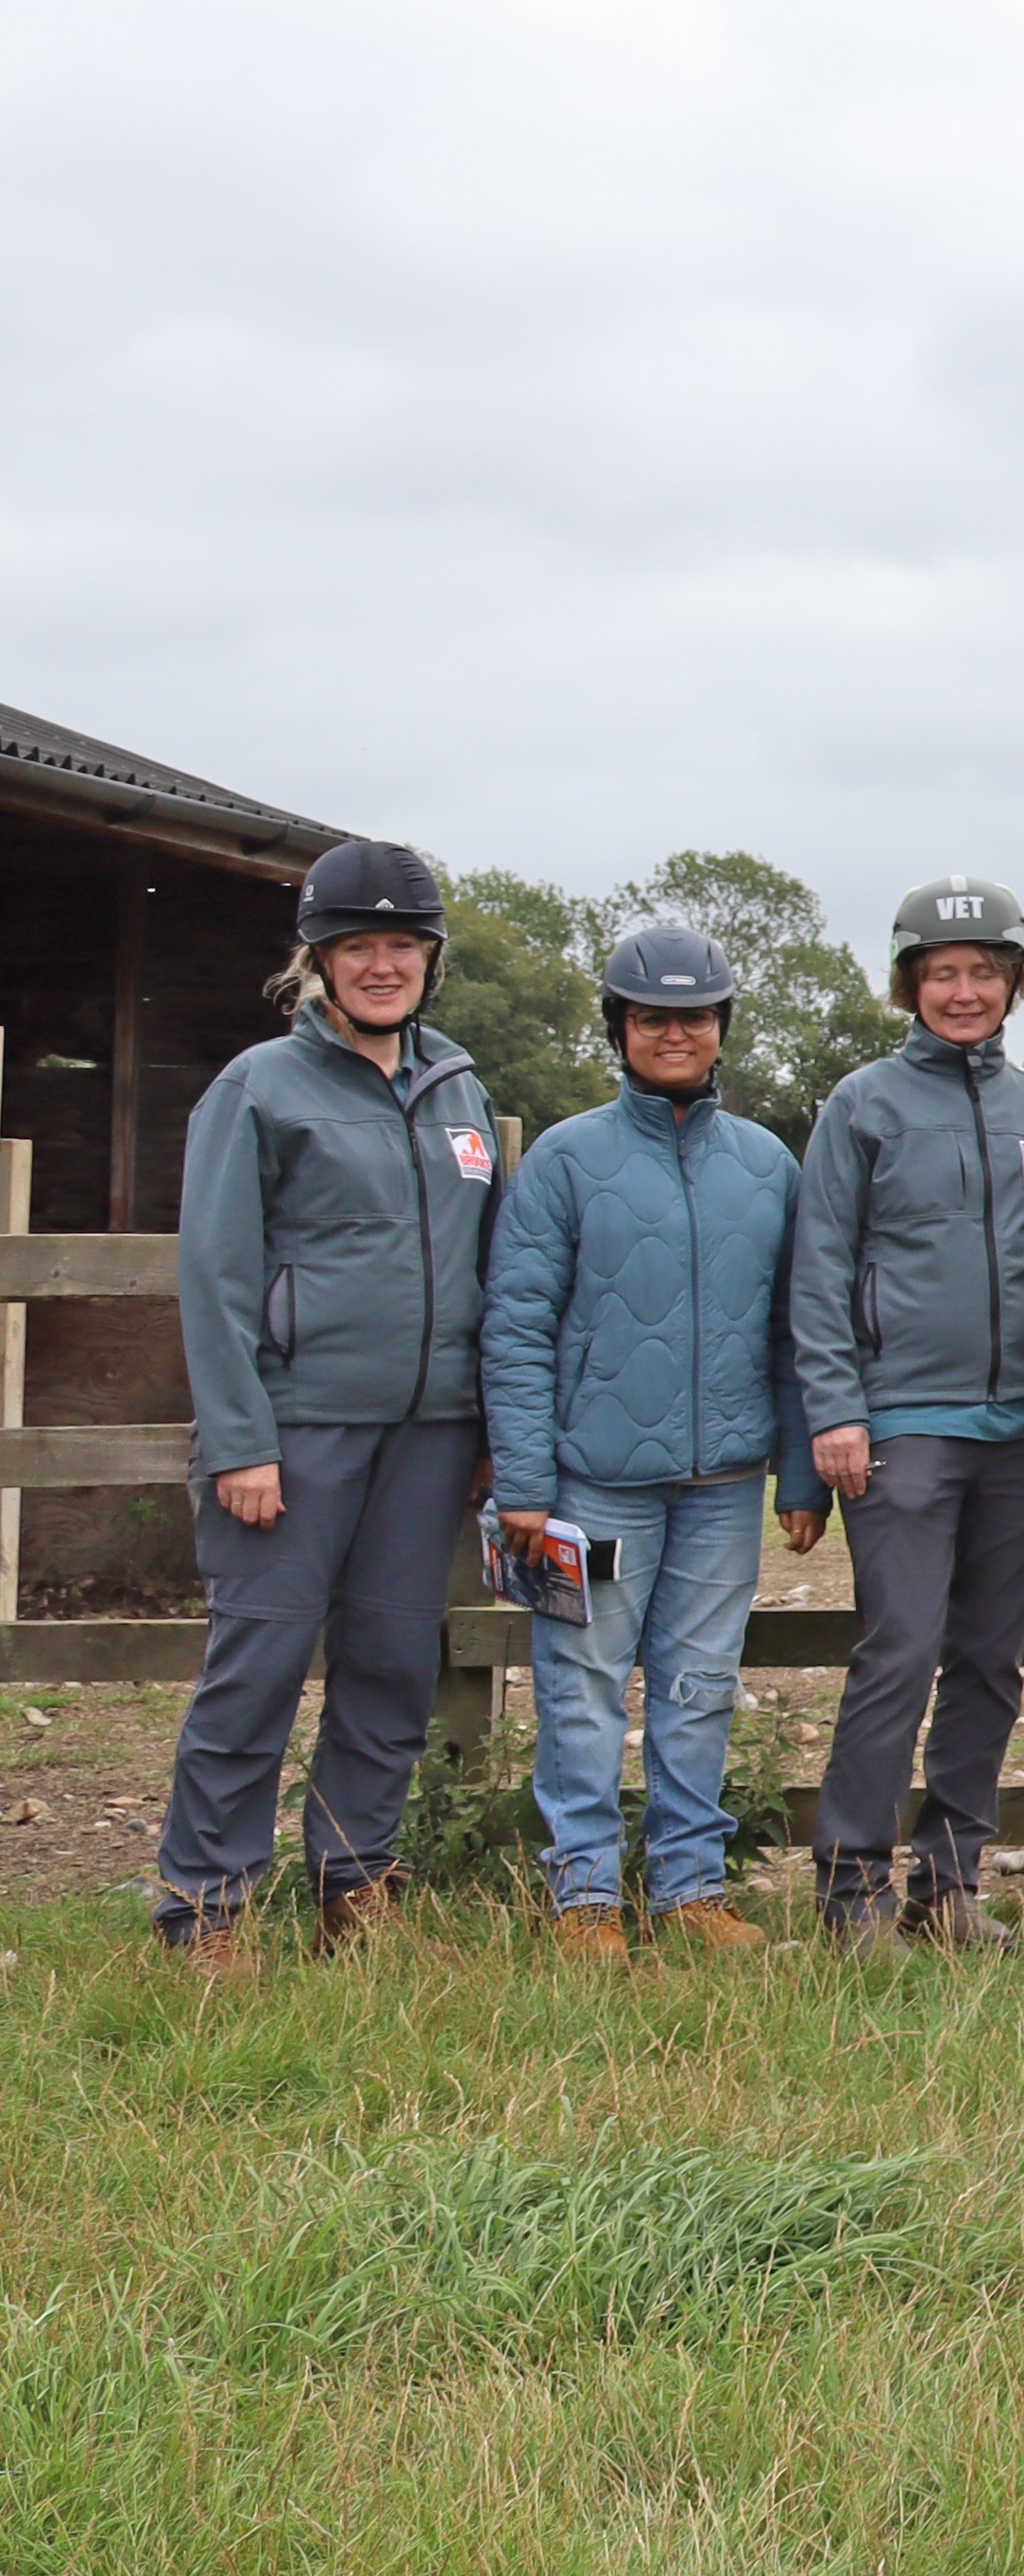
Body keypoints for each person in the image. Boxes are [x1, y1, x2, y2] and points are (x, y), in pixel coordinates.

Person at [156, 840, 503, 1970]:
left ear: (431, 958)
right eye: (361, 945)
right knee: (257, 1664)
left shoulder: (459, 1083)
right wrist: (242, 1440)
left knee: (394, 1663)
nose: (384, 964)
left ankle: (356, 1881)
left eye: (404, 944)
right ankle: (206, 1907)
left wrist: (491, 1430)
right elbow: (212, 1275)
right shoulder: (259, 1087)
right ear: (319, 960)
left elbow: (490, 1268)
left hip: (431, 1434)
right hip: (296, 1433)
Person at [481, 925, 826, 1961]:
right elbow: (518, 1323)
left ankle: (689, 1886)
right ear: (621, 1028)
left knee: (699, 1686)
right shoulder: (565, 1160)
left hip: (723, 1483)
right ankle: (584, 1893)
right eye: (652, 1017)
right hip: (595, 1486)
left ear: (721, 1028)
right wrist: (526, 1484)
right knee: (582, 1687)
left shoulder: (767, 1164)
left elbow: (791, 1329)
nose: (675, 1033)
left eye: (696, 1016)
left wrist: (800, 1471)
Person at [789, 874, 1024, 1948]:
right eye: (942, 973)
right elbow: (819, 1266)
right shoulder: (861, 1105)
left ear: (1017, 981)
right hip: (904, 1424)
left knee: (990, 1662)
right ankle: (849, 1883)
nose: (963, 992)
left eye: (984, 972)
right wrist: (835, 1406)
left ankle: (948, 1882)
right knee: (900, 1648)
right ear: (910, 982)